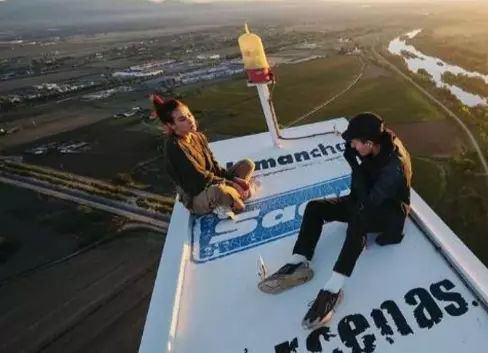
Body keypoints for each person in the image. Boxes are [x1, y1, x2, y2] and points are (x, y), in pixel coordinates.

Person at [258, 112, 413, 330]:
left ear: (369, 143)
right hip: (365, 198)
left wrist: (354, 164)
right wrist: (357, 165)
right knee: (315, 208)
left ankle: (332, 291)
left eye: (355, 143)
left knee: (358, 220)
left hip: (389, 212)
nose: (352, 146)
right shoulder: (376, 144)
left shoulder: (393, 166)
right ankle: (299, 261)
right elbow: (361, 192)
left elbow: (370, 201)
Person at [150, 94, 256, 219]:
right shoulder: (175, 147)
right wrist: (231, 184)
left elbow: (214, 166)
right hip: (196, 195)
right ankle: (227, 200)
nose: (190, 121)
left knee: (247, 165)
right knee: (224, 194)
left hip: (212, 181)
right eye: (182, 119)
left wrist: (234, 179)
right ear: (172, 125)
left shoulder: (198, 136)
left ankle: (230, 197)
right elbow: (200, 178)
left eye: (189, 115)